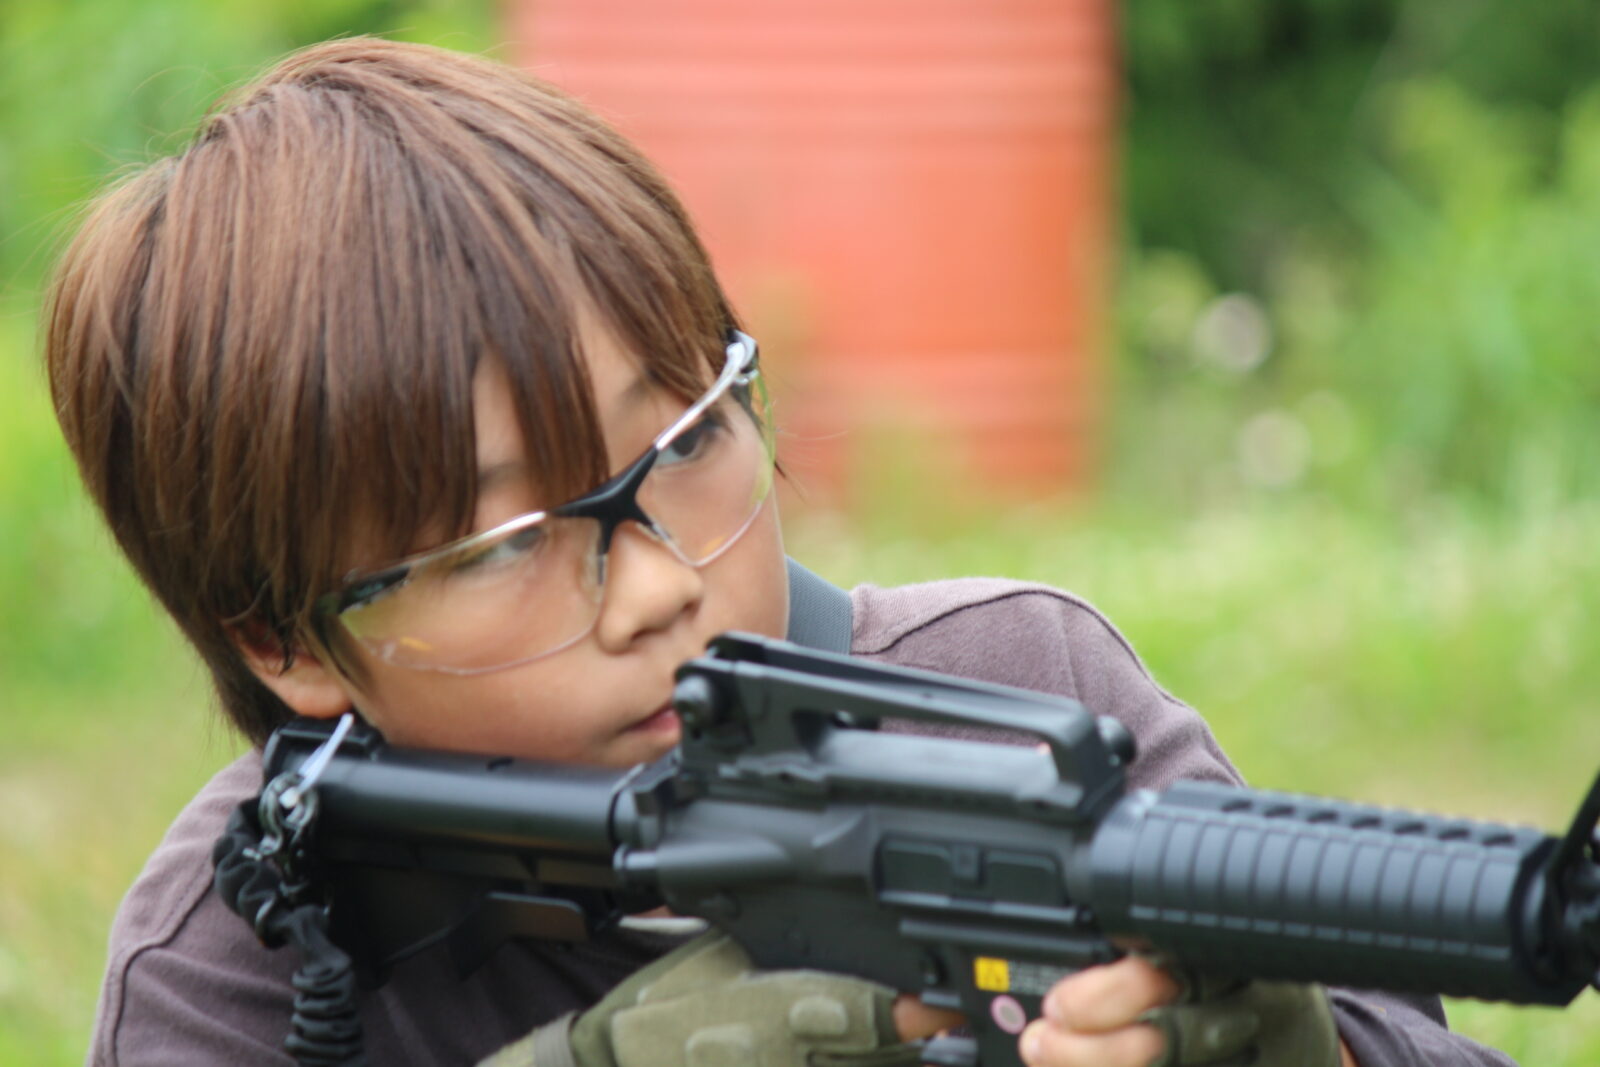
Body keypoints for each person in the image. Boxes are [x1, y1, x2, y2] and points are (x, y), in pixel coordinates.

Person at [45, 36, 1513, 1067]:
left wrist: (1314, 1055)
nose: (660, 585)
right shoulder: (235, 962)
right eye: (502, 544)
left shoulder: (1020, 688)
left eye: (684, 442)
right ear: (282, 640)